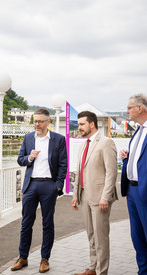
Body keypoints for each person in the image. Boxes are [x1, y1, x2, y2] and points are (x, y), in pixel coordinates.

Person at [11, 108, 67, 273]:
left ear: (48, 122)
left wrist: (58, 185)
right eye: (35, 121)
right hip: (31, 185)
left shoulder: (58, 139)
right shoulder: (28, 138)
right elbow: (20, 159)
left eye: (40, 121)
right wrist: (29, 158)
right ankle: (23, 257)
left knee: (47, 224)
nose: (37, 124)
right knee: (26, 223)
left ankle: (45, 259)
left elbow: (63, 164)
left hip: (49, 186)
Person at [71, 111, 118, 275]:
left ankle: (102, 271)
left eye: (82, 124)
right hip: (84, 196)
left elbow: (112, 172)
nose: (80, 127)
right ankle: (92, 268)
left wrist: (106, 196)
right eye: (78, 124)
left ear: (92, 124)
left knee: (101, 237)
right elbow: (79, 170)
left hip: (100, 197)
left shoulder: (106, 142)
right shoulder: (84, 144)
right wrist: (75, 194)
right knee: (91, 235)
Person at [120, 94, 147, 275]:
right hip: (132, 190)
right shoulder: (138, 130)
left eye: (130, 107)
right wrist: (127, 158)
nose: (127, 111)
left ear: (140, 108)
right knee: (137, 236)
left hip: (144, 191)